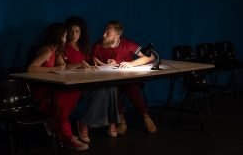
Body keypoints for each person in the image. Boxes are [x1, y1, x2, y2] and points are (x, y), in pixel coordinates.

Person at [27, 22, 88, 151]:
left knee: (74, 91)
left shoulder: (56, 50)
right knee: (60, 100)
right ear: (59, 36)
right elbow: (31, 68)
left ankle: (60, 129)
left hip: (51, 88)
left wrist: (79, 64)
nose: (67, 38)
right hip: (42, 92)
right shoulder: (47, 50)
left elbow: (63, 67)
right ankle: (67, 136)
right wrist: (56, 68)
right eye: (65, 35)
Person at [92, 20, 157, 134]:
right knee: (113, 90)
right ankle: (121, 120)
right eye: (104, 32)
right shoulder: (98, 46)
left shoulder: (127, 44)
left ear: (117, 36)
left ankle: (146, 117)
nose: (103, 35)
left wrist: (131, 64)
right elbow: (93, 62)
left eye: (108, 33)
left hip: (127, 80)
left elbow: (150, 56)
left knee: (131, 88)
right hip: (109, 81)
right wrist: (105, 64)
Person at [64, 16, 120, 143]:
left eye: (77, 31)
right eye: (71, 31)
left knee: (111, 86)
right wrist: (79, 64)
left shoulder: (83, 47)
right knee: (100, 91)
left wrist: (106, 64)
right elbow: (63, 66)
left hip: (88, 80)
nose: (74, 34)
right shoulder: (64, 47)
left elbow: (91, 62)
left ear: (81, 32)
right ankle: (84, 122)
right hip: (75, 84)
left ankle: (112, 122)